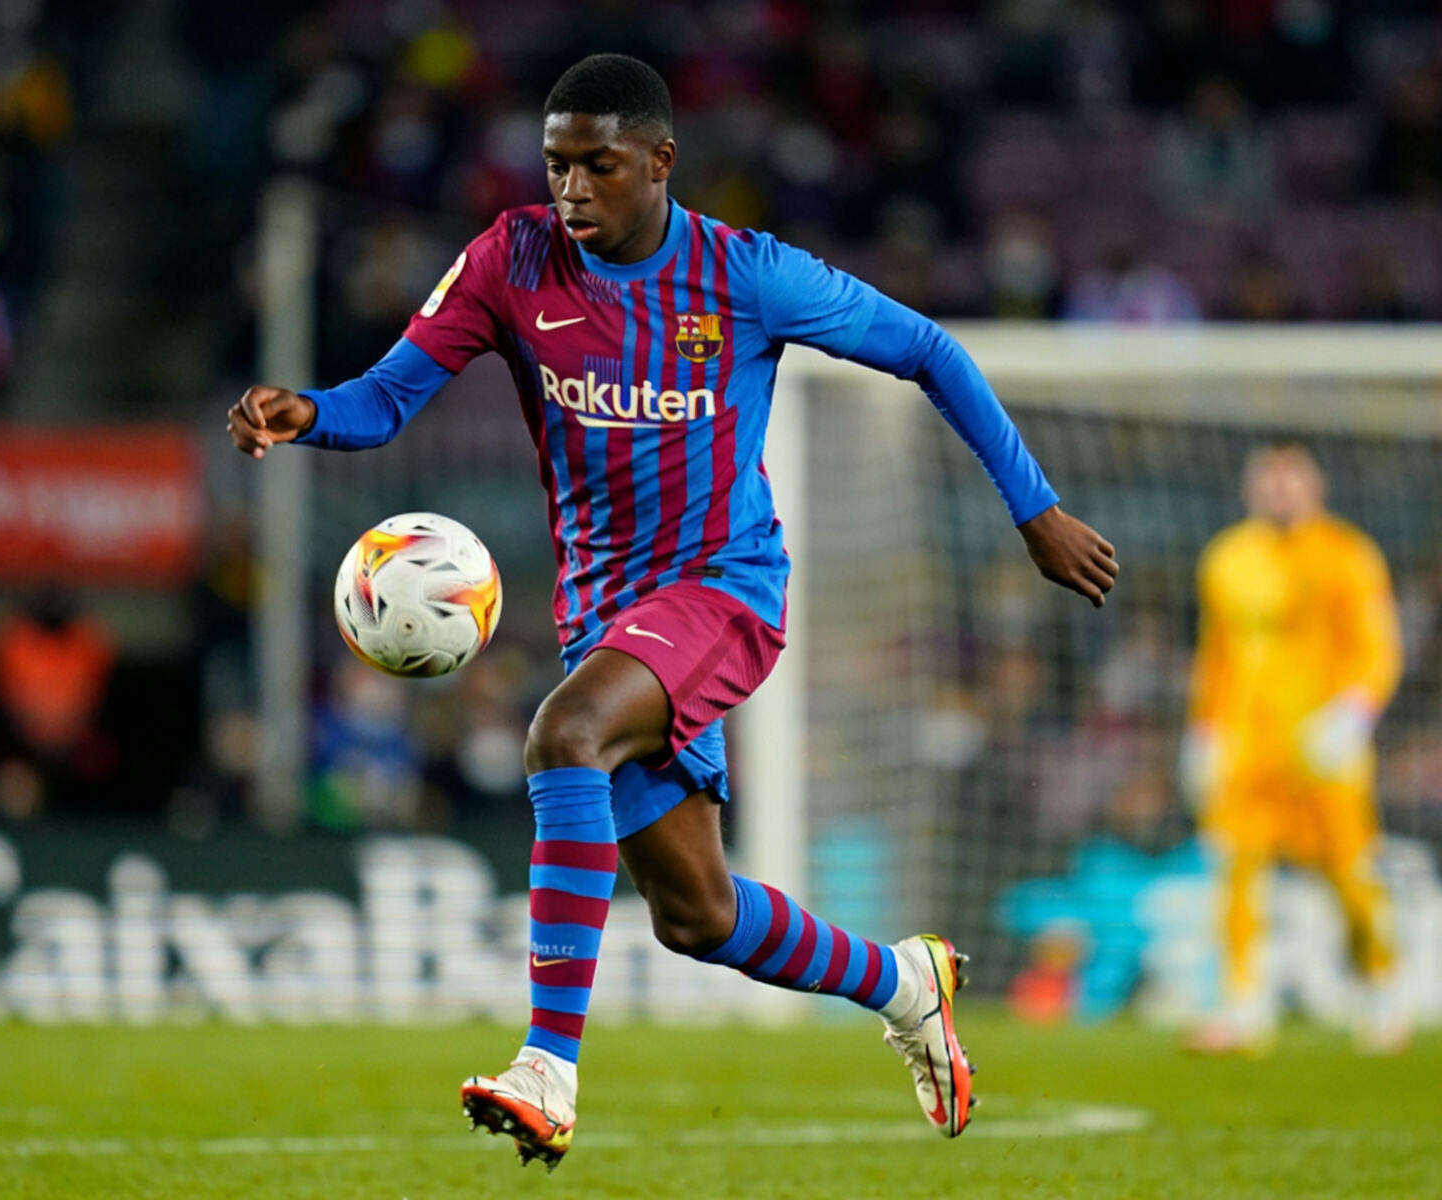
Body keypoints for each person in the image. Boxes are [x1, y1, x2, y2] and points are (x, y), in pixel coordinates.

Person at [228, 54, 1118, 1167]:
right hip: (604, 616)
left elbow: (927, 349)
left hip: (722, 592)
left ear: (659, 162)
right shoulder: (510, 262)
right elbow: (386, 399)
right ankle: (903, 983)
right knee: (695, 916)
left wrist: (1033, 511)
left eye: (598, 166)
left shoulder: (747, 276)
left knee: (564, 733)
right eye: (556, 167)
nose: (572, 191)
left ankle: (546, 1069)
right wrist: (304, 410)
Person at [1182, 443, 1405, 1055]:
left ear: (1316, 487)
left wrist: (1353, 716)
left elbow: (1379, 648)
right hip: (1249, 748)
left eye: (1291, 481)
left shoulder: (1348, 555)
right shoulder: (1227, 558)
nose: (1280, 493)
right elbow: (1217, 656)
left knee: (1351, 878)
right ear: (1250, 489)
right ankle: (1245, 1008)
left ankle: (1385, 994)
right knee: (1237, 873)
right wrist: (1203, 732)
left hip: (1324, 747)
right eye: (1269, 482)